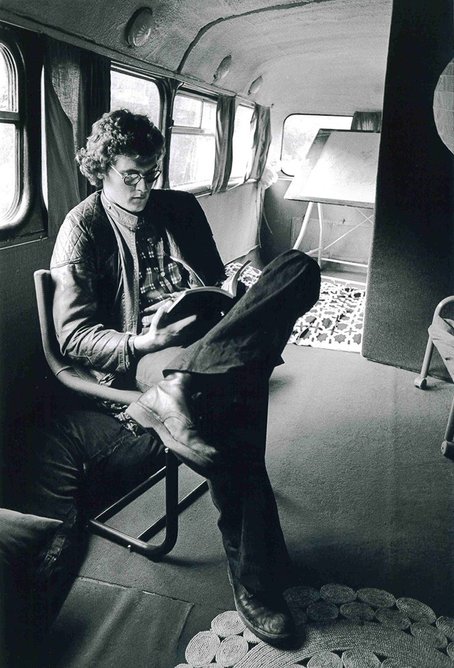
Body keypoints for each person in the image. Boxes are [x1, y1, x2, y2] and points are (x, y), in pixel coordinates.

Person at [30, 109, 321, 646]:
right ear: (101, 170)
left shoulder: (180, 207)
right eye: (130, 176)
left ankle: (182, 391)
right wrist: (146, 341)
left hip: (204, 340)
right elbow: (72, 340)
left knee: (300, 267)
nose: (144, 187)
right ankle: (256, 582)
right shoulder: (82, 229)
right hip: (145, 354)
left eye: (152, 172)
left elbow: (217, 279)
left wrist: (244, 288)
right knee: (236, 402)